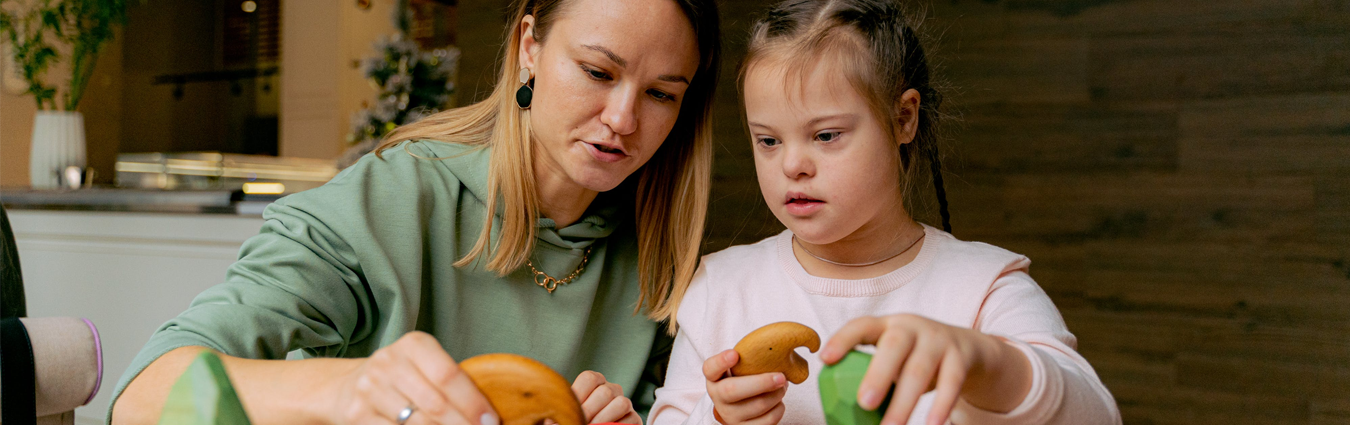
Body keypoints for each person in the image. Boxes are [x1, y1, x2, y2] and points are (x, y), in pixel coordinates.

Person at [110, 0, 721, 423]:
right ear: (529, 45)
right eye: (596, 71)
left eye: (661, 94)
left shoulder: (664, 259)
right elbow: (144, 398)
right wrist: (351, 391)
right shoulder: (391, 200)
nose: (623, 120)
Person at [647, 1, 1122, 424]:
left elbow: (1098, 416)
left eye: (827, 135)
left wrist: (988, 363)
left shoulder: (985, 289)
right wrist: (717, 417)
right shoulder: (721, 289)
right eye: (768, 140)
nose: (791, 165)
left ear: (903, 118)